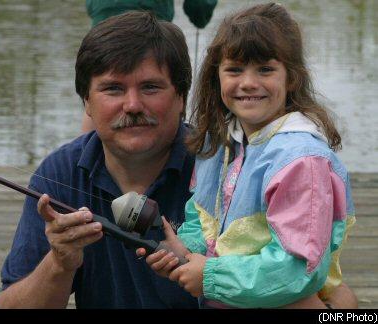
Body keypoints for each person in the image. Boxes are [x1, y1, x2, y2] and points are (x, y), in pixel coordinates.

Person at [0, 10, 356, 309]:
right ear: (86, 103)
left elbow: (330, 294)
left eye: (151, 87)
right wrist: (60, 262)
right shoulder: (59, 171)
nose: (133, 105)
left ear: (182, 97)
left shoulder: (222, 155)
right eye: (113, 89)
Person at [138, 3, 357, 309]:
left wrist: (211, 276)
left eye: (265, 69)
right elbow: (201, 220)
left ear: (291, 77)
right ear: (217, 77)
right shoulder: (218, 143)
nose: (248, 83)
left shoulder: (300, 162)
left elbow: (298, 269)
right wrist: (183, 249)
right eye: (234, 70)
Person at [81, 0, 218, 133]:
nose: (132, 105)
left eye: (150, 87)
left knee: (103, 93)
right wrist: (200, 13)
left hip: (102, 25)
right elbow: (200, 8)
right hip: (154, 30)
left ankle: (85, 152)